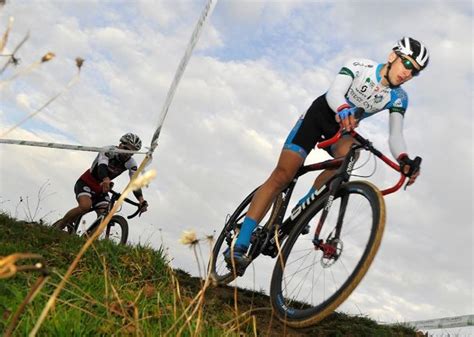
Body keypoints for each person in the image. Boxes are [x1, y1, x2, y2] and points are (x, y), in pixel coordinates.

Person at [225, 36, 429, 265]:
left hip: (343, 129)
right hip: (319, 116)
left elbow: (395, 135)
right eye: (407, 64)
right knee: (283, 175)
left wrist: (404, 159)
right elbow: (334, 93)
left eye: (415, 72)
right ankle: (239, 243)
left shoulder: (399, 97)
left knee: (352, 154)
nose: (408, 73)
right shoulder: (360, 67)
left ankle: (302, 210)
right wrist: (342, 108)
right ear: (393, 56)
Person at [54, 133, 148, 230]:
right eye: (126, 149)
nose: (127, 154)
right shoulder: (109, 150)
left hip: (102, 188)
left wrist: (141, 200)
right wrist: (105, 178)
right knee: (85, 206)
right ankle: (59, 226)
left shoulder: (131, 163)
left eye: (132, 152)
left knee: (105, 216)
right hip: (87, 182)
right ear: (120, 144)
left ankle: (89, 239)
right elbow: (101, 166)